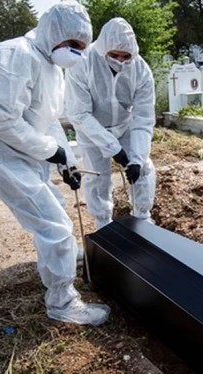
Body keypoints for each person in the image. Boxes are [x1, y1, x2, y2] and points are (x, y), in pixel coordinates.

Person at [0, 1, 109, 326]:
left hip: (23, 149)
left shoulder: (51, 68)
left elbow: (49, 121)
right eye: (72, 44)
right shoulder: (16, 56)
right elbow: (0, 121)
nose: (77, 52)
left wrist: (67, 160)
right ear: (53, 32)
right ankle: (62, 302)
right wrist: (50, 151)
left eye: (82, 47)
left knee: (53, 204)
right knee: (53, 224)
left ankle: (64, 258)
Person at [65, 17, 156, 229]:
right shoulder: (82, 64)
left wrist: (136, 158)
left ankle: (142, 219)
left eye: (126, 57)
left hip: (124, 126)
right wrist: (113, 148)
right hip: (91, 129)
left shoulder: (141, 70)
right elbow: (80, 113)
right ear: (103, 50)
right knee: (98, 177)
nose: (120, 61)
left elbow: (143, 118)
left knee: (142, 169)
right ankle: (103, 223)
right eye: (114, 55)